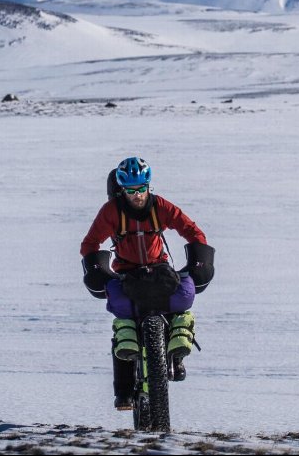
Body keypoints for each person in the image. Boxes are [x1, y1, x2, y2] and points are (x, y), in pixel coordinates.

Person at [80, 156, 215, 410]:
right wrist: (97, 268)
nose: (137, 195)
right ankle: (123, 394)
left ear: (148, 186)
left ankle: (176, 356)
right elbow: (89, 244)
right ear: (122, 189)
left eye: (142, 189)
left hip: (158, 270)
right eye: (131, 190)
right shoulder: (111, 212)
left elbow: (191, 230)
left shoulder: (160, 206)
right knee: (124, 323)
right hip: (127, 273)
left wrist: (200, 258)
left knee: (182, 298)